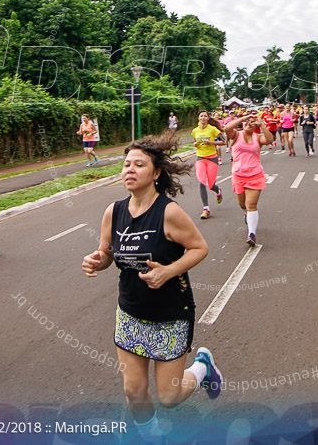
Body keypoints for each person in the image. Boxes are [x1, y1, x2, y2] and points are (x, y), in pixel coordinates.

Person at [81, 133, 222, 441]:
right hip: (130, 311)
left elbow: (199, 248)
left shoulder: (168, 212)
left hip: (170, 314)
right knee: (133, 391)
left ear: (156, 173)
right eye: (126, 164)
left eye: (139, 165)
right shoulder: (113, 211)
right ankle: (151, 434)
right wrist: (97, 259)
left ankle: (202, 368)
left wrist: (168, 272)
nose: (129, 170)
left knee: (169, 398)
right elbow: (107, 253)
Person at [223, 113, 273, 246]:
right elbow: (227, 128)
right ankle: (247, 214)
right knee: (242, 204)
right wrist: (243, 119)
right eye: (247, 122)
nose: (249, 124)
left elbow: (269, 140)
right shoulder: (236, 135)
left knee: (251, 205)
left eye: (252, 123)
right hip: (238, 175)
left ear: (255, 126)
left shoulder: (258, 137)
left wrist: (261, 123)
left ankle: (252, 234)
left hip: (255, 174)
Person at [191, 112, 226, 219]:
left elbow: (224, 142)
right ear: (198, 118)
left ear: (208, 118)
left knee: (211, 185)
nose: (203, 118)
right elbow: (195, 143)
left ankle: (218, 191)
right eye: (201, 116)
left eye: (205, 116)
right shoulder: (195, 131)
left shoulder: (212, 129)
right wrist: (195, 145)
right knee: (201, 183)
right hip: (200, 158)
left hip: (212, 158)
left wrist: (212, 143)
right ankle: (206, 208)